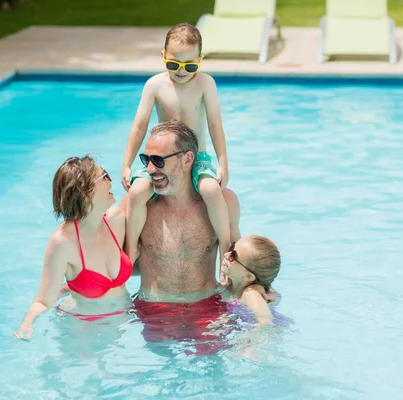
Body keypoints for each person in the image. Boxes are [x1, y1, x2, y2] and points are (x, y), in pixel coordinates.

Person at [120, 120, 240, 355]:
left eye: (159, 160)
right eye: (146, 161)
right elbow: (110, 259)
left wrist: (258, 293)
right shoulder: (136, 207)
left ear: (187, 160)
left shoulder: (222, 204)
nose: (150, 170)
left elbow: (239, 264)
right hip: (153, 307)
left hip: (208, 306)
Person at [121, 22, 232, 276]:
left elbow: (215, 125)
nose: (181, 72)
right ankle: (132, 249)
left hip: (197, 158)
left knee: (212, 190)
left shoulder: (205, 84)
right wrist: (127, 163)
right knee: (137, 192)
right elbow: (139, 126)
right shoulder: (155, 85)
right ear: (163, 56)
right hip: (161, 158)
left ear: (200, 60)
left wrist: (223, 163)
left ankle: (225, 250)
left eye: (190, 66)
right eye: (173, 64)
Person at [14, 156, 133, 340]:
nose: (111, 180)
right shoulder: (63, 242)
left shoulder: (115, 220)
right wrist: (27, 323)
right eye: (105, 176)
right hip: (83, 333)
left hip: (124, 326)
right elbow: (44, 300)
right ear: (86, 193)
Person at [219, 236, 281, 326]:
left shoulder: (251, 292)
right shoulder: (230, 283)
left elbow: (265, 321)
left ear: (248, 276)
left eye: (233, 256)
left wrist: (248, 337)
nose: (226, 254)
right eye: (232, 248)